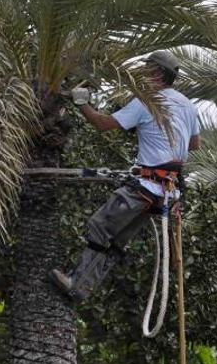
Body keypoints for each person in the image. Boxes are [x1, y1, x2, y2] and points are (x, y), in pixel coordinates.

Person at [50, 50, 200, 301]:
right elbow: (194, 144)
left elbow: (103, 124)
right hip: (167, 193)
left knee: (99, 226)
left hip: (144, 186)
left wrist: (81, 103)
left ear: (156, 72)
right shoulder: (188, 105)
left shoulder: (147, 101)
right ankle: (82, 288)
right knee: (117, 240)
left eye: (146, 69)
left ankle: (77, 282)